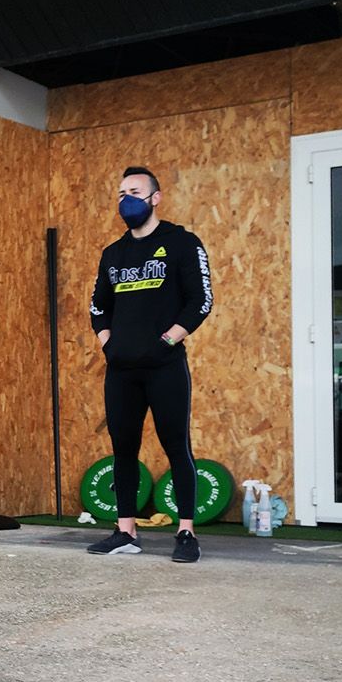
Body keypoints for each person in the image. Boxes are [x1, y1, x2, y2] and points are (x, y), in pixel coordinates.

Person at [86, 166, 213, 562]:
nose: (126, 199)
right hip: (122, 371)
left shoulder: (182, 243)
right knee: (123, 448)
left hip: (164, 367)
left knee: (177, 445)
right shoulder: (113, 253)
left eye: (135, 191)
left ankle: (186, 533)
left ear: (155, 198)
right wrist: (110, 345)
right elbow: (97, 307)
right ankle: (125, 532)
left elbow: (201, 301)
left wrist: (166, 341)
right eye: (121, 192)